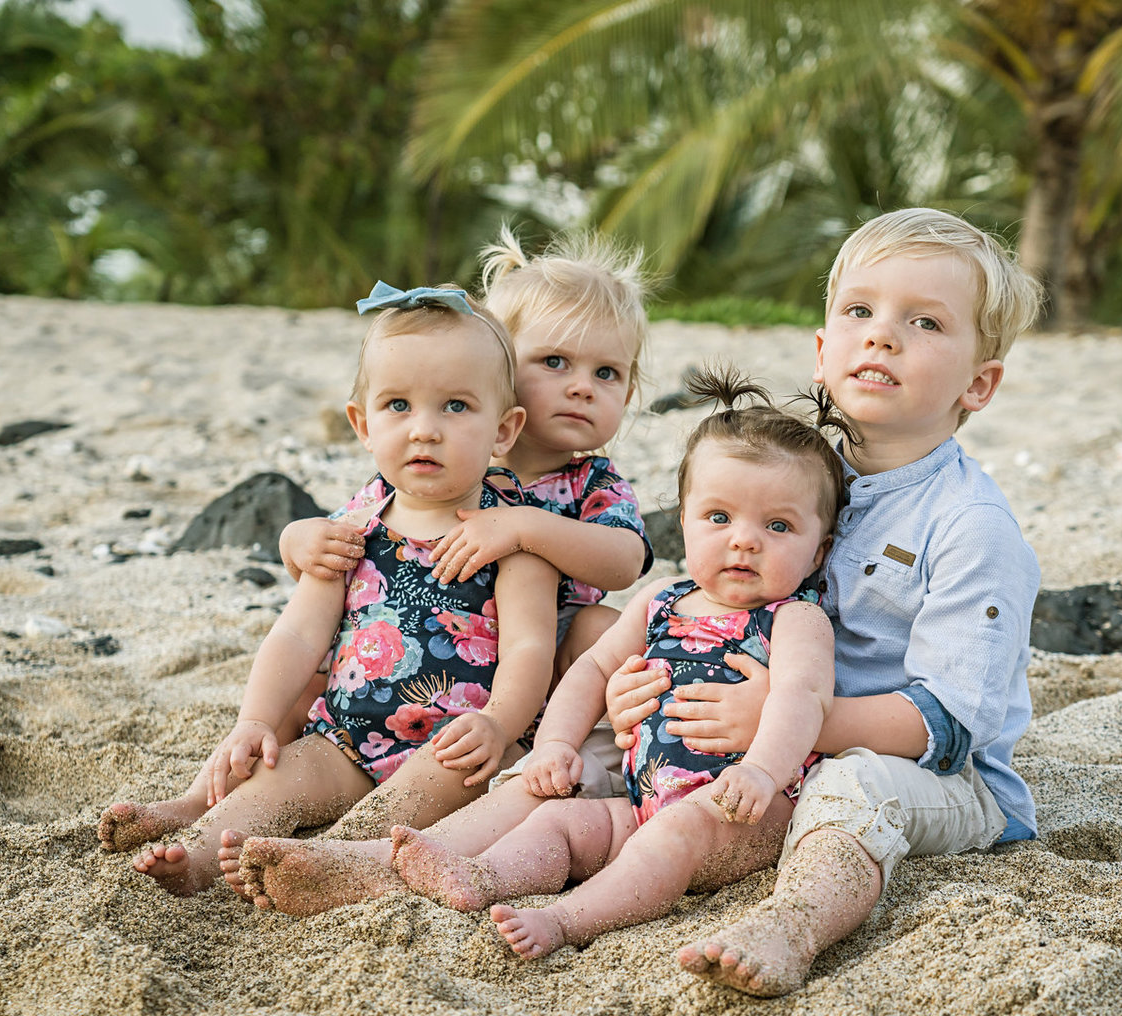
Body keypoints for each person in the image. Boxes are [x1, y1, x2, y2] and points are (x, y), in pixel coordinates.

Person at [97, 228, 653, 855]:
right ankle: (203, 809)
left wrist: (522, 529)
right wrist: (295, 537)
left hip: (511, 686)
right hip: (363, 702)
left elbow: (624, 560)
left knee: (605, 627)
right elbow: (318, 588)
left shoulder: (574, 491)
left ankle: (340, 851)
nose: (581, 385)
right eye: (554, 362)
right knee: (299, 695)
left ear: (501, 425)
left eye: (606, 373)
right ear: (504, 367)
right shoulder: (400, 486)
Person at [605, 207, 1044, 996]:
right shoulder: (793, 480)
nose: (881, 336)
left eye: (925, 322)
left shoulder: (970, 526)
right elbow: (713, 598)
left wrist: (783, 719)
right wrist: (636, 681)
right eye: (860, 311)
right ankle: (420, 855)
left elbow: (946, 723)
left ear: (979, 382)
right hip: (781, 746)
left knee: (854, 789)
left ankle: (793, 922)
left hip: (931, 773)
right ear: (821, 350)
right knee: (596, 744)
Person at [376, 367, 847, 960]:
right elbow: (594, 670)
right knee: (563, 825)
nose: (744, 541)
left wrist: (759, 771)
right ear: (683, 521)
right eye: (720, 518)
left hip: (744, 812)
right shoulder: (662, 600)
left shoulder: (795, 619)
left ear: (819, 549)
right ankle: (486, 875)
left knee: (676, 835)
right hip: (645, 799)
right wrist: (554, 745)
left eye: (778, 526)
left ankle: (566, 920)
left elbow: (802, 699)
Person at [128, 283, 560, 895]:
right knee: (279, 777)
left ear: (503, 431)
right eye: (398, 406)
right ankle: (198, 855)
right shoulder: (352, 529)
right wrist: (256, 718)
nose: (425, 431)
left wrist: (497, 722)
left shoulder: (511, 535)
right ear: (362, 423)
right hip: (344, 738)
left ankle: (334, 860)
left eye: (456, 407)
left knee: (433, 784)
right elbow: (300, 631)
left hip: (455, 742)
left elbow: (529, 648)